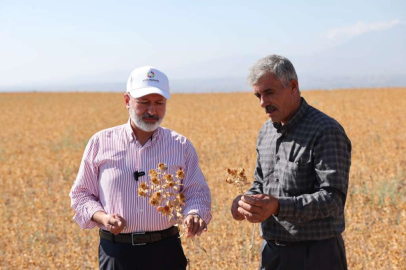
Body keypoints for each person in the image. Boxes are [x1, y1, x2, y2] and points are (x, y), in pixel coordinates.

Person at [69, 66, 212, 270]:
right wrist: (103, 217)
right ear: (127, 101)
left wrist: (195, 213)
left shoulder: (181, 145)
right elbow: (81, 195)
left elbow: (196, 192)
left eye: (159, 103)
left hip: (166, 251)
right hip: (116, 253)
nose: (152, 111)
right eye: (144, 103)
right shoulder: (100, 142)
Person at [231, 55, 351, 270]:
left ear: (293, 86)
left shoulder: (325, 131)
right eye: (258, 95)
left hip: (317, 255)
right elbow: (261, 183)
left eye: (269, 92)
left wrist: (277, 206)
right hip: (273, 254)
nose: (262, 103)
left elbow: (333, 199)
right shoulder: (266, 132)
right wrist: (246, 203)